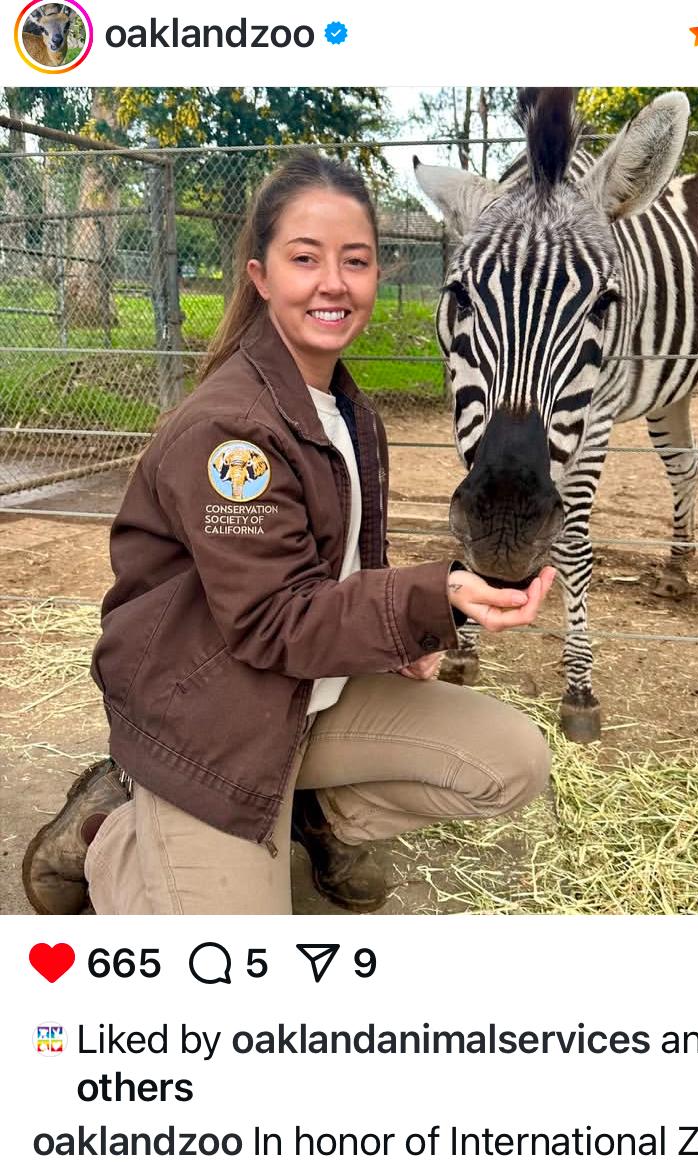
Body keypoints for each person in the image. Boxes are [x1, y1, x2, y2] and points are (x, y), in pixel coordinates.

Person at [22, 150, 556, 916]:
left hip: (311, 698)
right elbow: (271, 619)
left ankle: (311, 815)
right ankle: (114, 829)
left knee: (513, 761)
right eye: (305, 258)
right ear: (261, 276)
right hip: (211, 723)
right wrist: (434, 600)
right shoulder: (229, 433)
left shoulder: (351, 414)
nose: (333, 282)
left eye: (355, 260)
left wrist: (402, 643)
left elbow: (334, 576)